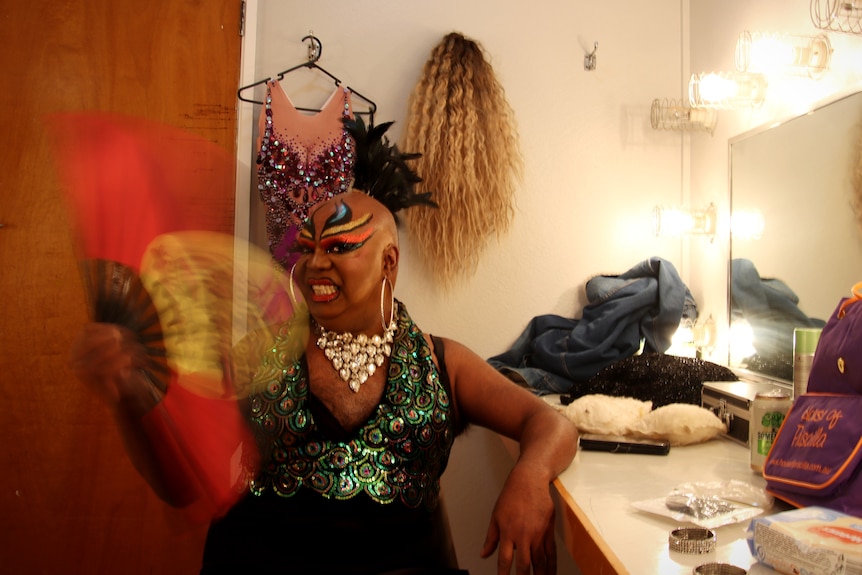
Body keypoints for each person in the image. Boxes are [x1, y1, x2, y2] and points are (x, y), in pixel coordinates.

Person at [70, 119, 579, 575]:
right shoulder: (259, 352)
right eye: (308, 248)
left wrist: (530, 478)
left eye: (337, 248)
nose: (314, 265)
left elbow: (552, 424)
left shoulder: (442, 362)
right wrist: (131, 397)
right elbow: (179, 487)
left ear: (388, 263)